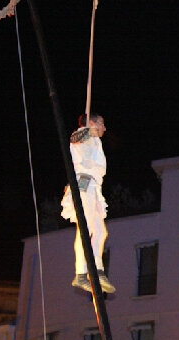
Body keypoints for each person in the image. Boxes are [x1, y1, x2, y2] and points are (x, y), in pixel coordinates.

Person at [61, 113, 116, 293]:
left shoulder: (95, 140)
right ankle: (81, 274)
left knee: (100, 231)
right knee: (86, 228)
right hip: (84, 184)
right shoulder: (83, 134)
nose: (104, 128)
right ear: (92, 123)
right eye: (102, 123)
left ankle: (98, 271)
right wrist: (88, 130)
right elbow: (74, 138)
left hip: (93, 187)